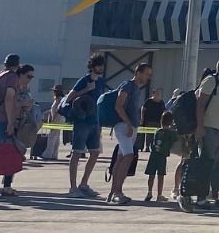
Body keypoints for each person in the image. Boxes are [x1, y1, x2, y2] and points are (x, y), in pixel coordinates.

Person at [182, 55, 219, 213]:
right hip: (207, 128)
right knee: (205, 163)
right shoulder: (212, 81)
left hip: (217, 129)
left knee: (214, 165)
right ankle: (201, 197)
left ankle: (217, 195)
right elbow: (200, 104)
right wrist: (200, 126)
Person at [0, 63, 34, 199]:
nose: (30, 79)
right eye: (28, 76)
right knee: (2, 155)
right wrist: (11, 123)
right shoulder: (12, 79)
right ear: (19, 70)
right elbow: (10, 99)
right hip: (4, 122)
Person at [107, 60, 151, 205]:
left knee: (121, 158)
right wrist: (127, 123)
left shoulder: (137, 89)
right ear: (138, 73)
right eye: (146, 74)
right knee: (128, 156)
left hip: (131, 126)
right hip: (123, 126)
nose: (148, 77)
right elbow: (118, 105)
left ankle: (114, 191)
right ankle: (117, 192)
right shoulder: (128, 85)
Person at [64, 53, 107, 198]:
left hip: (95, 121)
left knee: (94, 153)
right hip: (82, 121)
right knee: (76, 152)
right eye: (98, 65)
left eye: (102, 65)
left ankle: (84, 183)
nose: (100, 67)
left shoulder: (101, 82)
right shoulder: (84, 80)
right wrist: (86, 90)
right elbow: (69, 97)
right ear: (92, 66)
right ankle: (72, 187)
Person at [144, 111, 177, 203]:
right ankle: (159, 194)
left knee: (151, 174)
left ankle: (149, 192)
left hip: (153, 154)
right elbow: (176, 139)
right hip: (162, 156)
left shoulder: (157, 131)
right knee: (161, 175)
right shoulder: (171, 133)